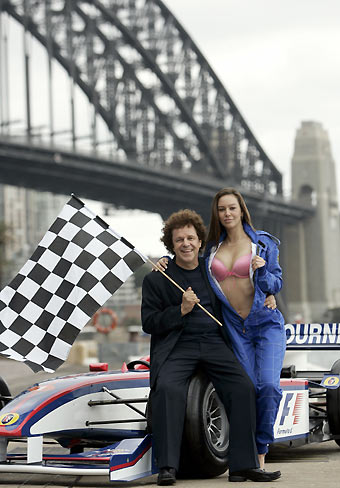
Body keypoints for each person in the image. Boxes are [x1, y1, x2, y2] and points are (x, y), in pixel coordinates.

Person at [142, 209, 281, 485]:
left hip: (214, 342)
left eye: (191, 238)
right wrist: (179, 310)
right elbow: (149, 322)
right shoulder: (157, 278)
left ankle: (243, 466)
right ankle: (168, 466)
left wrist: (269, 295)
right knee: (167, 388)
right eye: (179, 239)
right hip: (178, 347)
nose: (186, 244)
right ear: (171, 245)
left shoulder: (210, 270)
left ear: (199, 241)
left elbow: (242, 285)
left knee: (243, 387)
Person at [204, 187, 286, 468]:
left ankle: (261, 450)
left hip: (266, 323)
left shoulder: (262, 243)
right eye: (221, 209)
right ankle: (248, 453)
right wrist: (164, 263)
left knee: (269, 386)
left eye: (232, 208)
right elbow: (192, 272)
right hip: (235, 327)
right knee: (246, 389)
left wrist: (262, 270)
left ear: (241, 211)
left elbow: (275, 284)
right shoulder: (211, 250)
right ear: (217, 214)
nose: (227, 213)